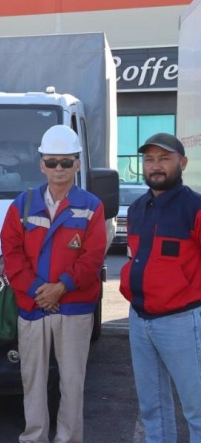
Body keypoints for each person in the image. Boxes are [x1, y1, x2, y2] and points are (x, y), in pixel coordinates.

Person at [0, 124, 106, 443]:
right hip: (33, 306)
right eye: (52, 161)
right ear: (42, 165)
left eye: (66, 161)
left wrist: (61, 287)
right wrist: (38, 291)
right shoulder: (22, 204)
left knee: (72, 383)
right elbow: (11, 254)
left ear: (77, 164)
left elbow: (93, 256)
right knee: (32, 381)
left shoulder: (91, 206)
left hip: (74, 308)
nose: (59, 168)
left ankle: (69, 439)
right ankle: (34, 437)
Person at [120, 133, 201, 443]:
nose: (156, 166)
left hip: (182, 322)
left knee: (197, 410)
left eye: (164, 159)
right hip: (140, 320)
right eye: (149, 159)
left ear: (183, 163)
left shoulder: (194, 208)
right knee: (152, 409)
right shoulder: (138, 208)